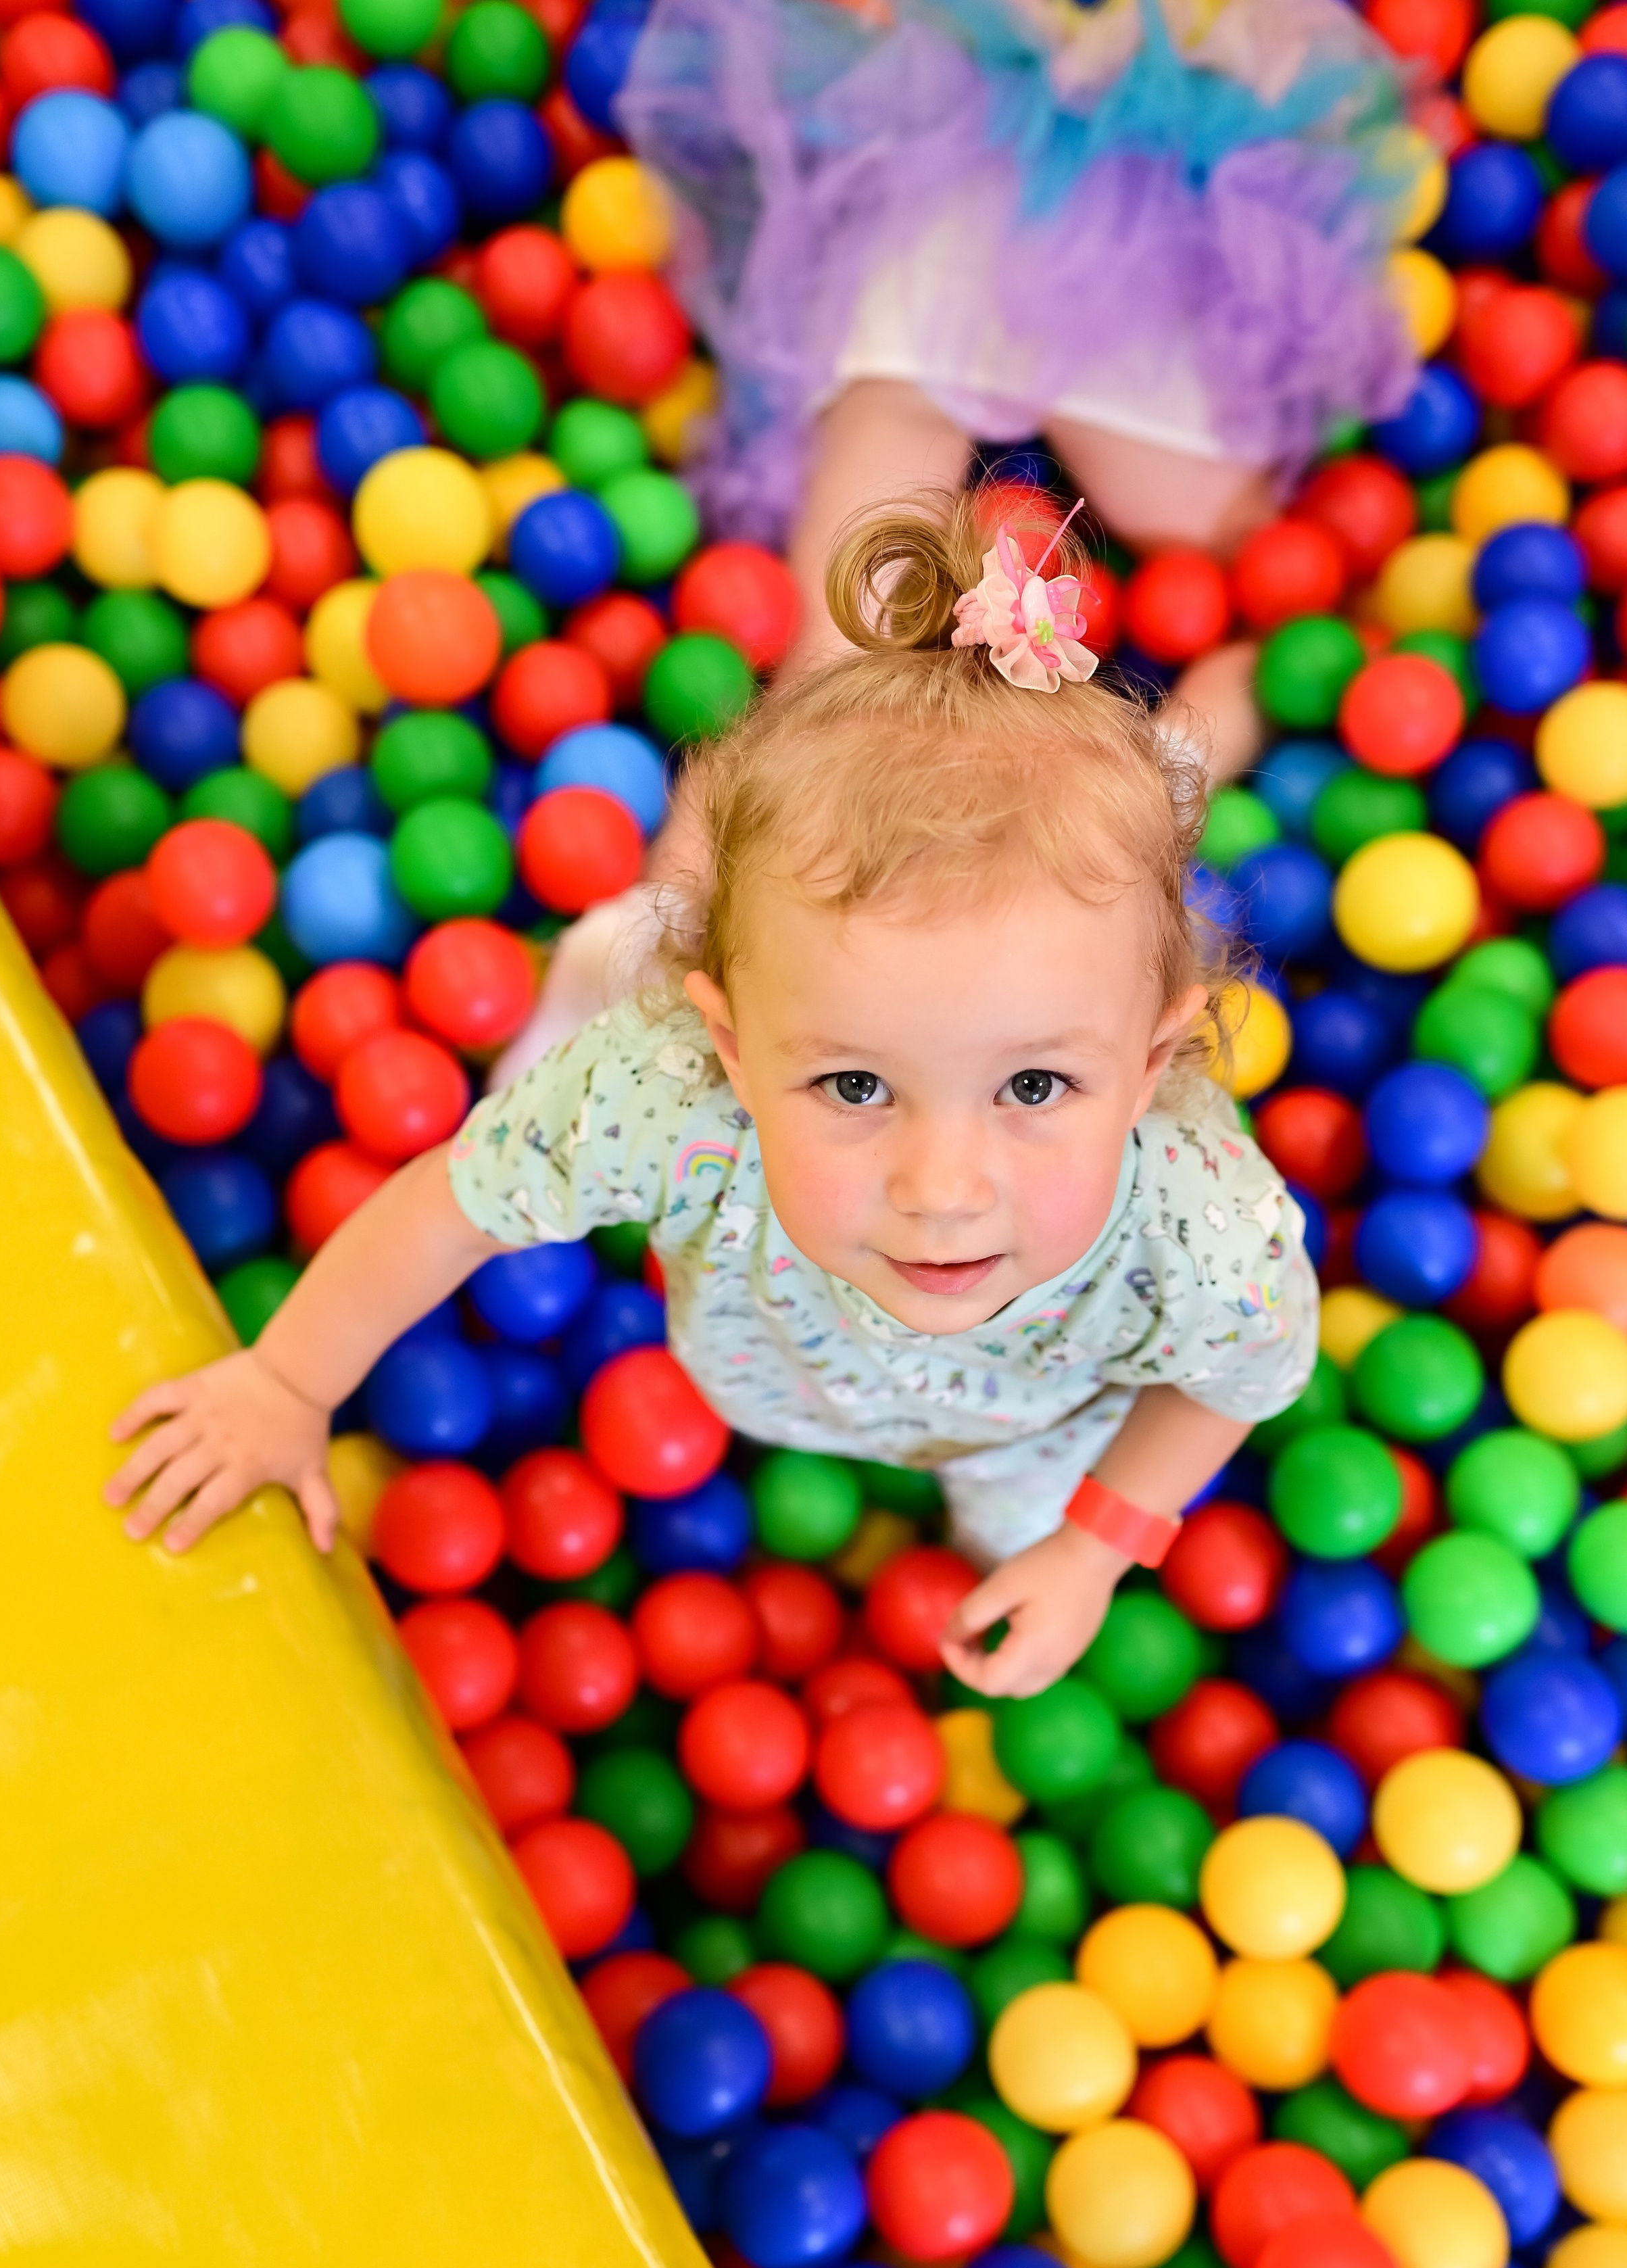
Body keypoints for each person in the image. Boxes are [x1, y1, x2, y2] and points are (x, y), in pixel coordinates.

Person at [105, 499, 1318, 1703]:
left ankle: (1213, 712)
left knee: (1016, 1543)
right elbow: (451, 1208)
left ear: (1154, 1067)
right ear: (730, 1050)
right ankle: (615, 949)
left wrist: (1093, 1549)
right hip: (775, 1362)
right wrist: (286, 1385)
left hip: (1043, 1428)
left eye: (1036, 1085)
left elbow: (1235, 1373)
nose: (942, 1187)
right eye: (854, 1084)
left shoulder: (1198, 1221)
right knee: (623, 972)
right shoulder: (667, 1095)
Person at [493, 0, 1426, 1078]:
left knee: (1271, 607)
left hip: (1101, 186)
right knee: (832, 687)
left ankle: (658, 954)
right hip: (982, 168)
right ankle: (643, 965)